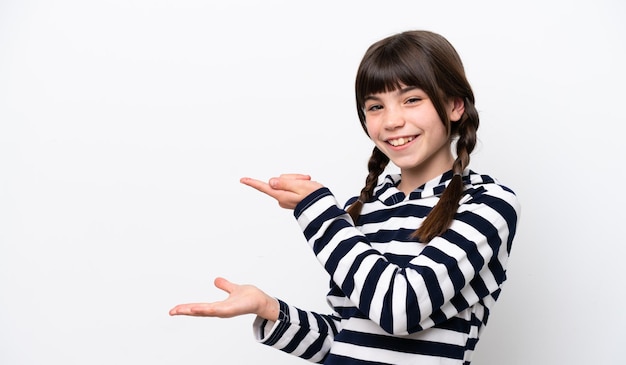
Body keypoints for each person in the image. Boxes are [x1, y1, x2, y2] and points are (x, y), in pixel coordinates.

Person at [169, 30, 521, 365]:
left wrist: (318, 211)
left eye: (412, 99)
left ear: (455, 105)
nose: (392, 121)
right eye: (375, 106)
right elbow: (348, 337)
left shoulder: (488, 204)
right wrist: (269, 309)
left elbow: (400, 309)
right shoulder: (364, 209)